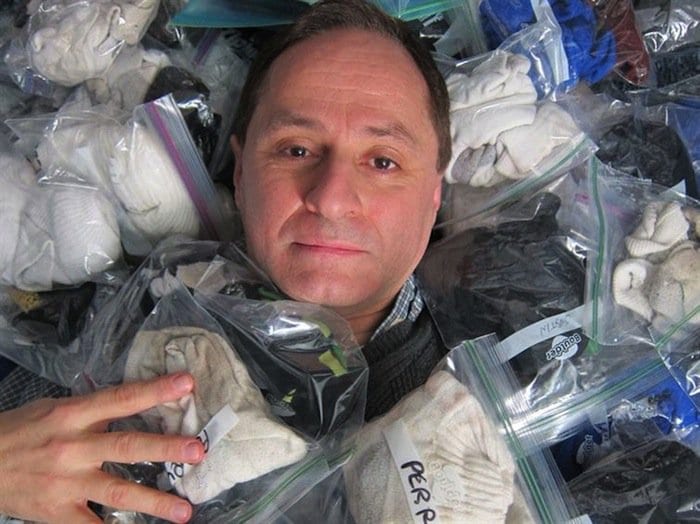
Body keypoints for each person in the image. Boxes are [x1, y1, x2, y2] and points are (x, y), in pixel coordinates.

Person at [0, 0, 452, 522]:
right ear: (239, 174)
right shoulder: (102, 330)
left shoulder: (487, 415)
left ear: (435, 195)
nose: (331, 199)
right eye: (296, 150)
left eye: (382, 161)